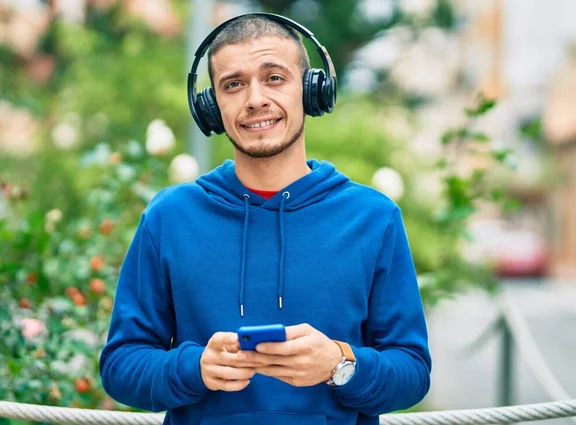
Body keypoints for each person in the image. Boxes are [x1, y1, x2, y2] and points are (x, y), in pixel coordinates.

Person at [99, 13, 431, 425]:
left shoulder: (373, 218)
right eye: (233, 84)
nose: (255, 99)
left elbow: (413, 371)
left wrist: (339, 364)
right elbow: (120, 365)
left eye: (274, 77)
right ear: (211, 106)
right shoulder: (169, 217)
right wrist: (195, 368)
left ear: (311, 91)